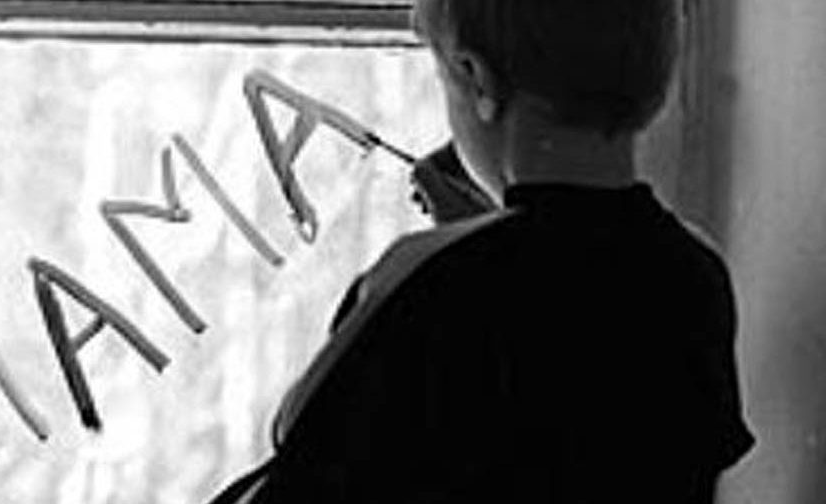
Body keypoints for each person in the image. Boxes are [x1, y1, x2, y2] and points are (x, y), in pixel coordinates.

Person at [209, 0, 754, 502]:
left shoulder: (425, 280)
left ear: (476, 80)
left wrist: (453, 253)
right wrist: (479, 241)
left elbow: (297, 448)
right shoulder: (695, 275)